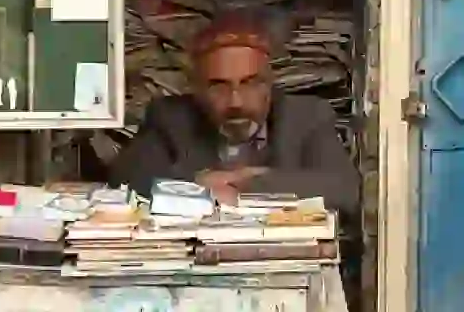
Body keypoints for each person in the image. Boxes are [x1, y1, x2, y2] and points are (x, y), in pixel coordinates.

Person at [108, 12, 359, 214]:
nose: (236, 102)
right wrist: (198, 182)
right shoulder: (171, 118)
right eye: (219, 86)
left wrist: (246, 182)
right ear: (196, 89)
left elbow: (344, 189)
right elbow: (127, 182)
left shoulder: (306, 117)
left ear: (269, 84)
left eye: (250, 83)